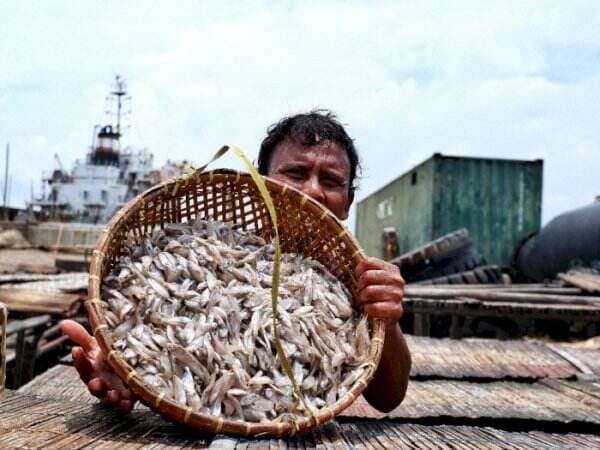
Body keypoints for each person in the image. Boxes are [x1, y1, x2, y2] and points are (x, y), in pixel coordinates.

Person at [60, 109, 411, 414]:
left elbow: (388, 398)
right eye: (296, 173)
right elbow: (175, 356)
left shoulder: (358, 284)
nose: (312, 191)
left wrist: (387, 319)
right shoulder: (211, 244)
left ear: (348, 201)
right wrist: (129, 371)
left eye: (331, 180)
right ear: (260, 186)